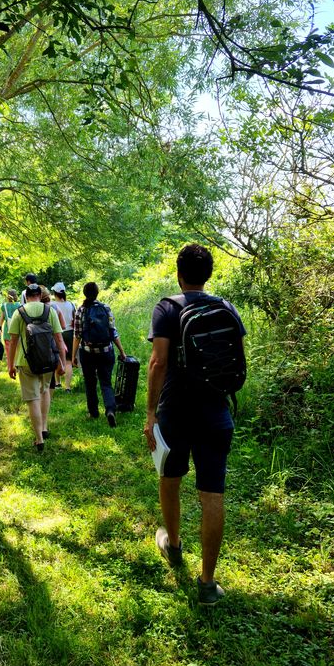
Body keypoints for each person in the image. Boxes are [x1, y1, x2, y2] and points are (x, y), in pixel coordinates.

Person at [143, 244, 246, 606]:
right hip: (217, 411)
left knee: (170, 480)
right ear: (209, 274)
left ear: (178, 273)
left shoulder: (168, 307)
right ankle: (207, 583)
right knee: (212, 494)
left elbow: (158, 362)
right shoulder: (226, 307)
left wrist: (150, 412)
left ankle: (173, 544)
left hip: (176, 411)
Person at [8, 282, 66, 450]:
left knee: (33, 399)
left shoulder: (20, 313)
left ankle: (39, 438)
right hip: (48, 361)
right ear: (40, 295)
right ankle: (45, 425)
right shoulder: (50, 311)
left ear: (26, 296)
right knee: (45, 390)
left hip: (25, 362)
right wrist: (61, 363)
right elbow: (59, 339)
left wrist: (10, 365)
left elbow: (13, 341)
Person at [72, 282, 126, 427]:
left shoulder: (81, 310)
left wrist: (73, 356)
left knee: (90, 383)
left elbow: (77, 335)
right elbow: (113, 332)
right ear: (97, 293)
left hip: (88, 353)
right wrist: (122, 351)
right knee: (106, 382)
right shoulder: (105, 308)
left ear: (84, 293)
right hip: (106, 352)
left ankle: (93, 412)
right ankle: (110, 410)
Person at [51, 282, 75, 392]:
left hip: (57, 332)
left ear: (54, 293)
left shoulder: (52, 305)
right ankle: (68, 387)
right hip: (70, 333)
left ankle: (57, 383)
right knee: (69, 360)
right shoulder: (71, 304)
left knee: (57, 358)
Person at [0, 288, 21, 361]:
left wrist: (0, 329)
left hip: (7, 330)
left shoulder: (4, 306)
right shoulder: (19, 305)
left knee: (9, 351)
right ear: (16, 296)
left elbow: (1, 319)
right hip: (18, 330)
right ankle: (17, 365)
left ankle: (10, 366)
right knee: (18, 349)